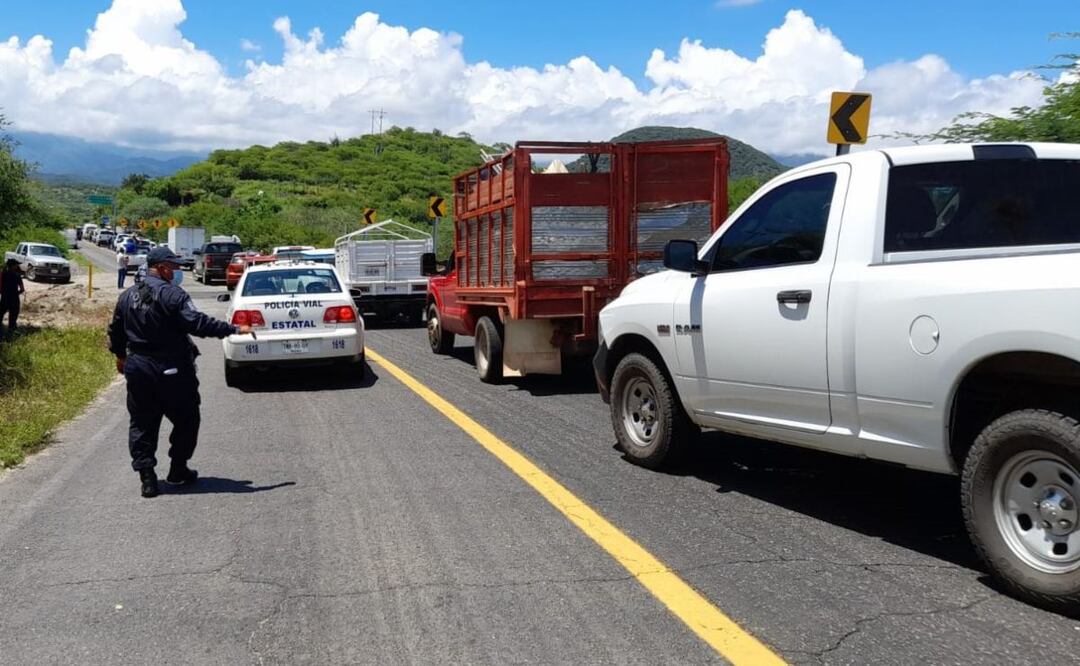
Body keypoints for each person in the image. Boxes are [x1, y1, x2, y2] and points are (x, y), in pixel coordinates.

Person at [107, 247, 253, 498]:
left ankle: (148, 478)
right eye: (173, 268)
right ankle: (177, 470)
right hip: (172, 368)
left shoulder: (127, 296)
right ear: (162, 268)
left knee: (142, 422)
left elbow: (116, 331)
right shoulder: (173, 295)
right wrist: (233, 329)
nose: (177, 272)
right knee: (187, 419)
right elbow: (196, 323)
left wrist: (121, 357)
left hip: (139, 367)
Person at [0, 259, 25, 341]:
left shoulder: (3, 274)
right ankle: (9, 337)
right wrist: (16, 293)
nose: (17, 266)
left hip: (4, 299)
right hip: (14, 300)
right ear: (14, 266)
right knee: (12, 319)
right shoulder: (17, 276)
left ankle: (1, 335)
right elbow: (22, 289)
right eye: (16, 265)